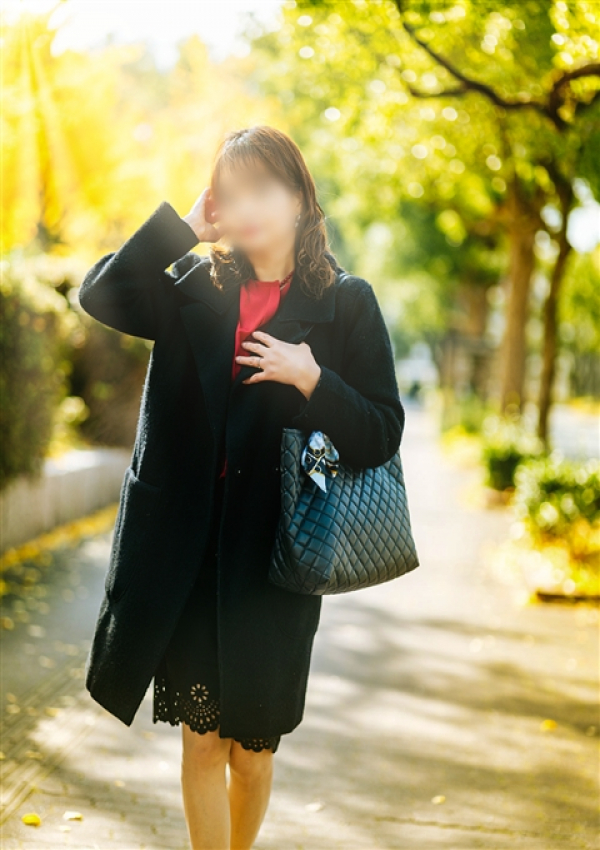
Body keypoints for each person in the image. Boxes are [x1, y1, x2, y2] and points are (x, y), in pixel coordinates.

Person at [78, 125, 405, 850]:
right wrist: (182, 229)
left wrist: (312, 377)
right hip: (188, 553)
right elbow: (100, 294)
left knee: (251, 755)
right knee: (202, 741)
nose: (247, 205)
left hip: (276, 560)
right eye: (232, 192)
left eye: (263, 188)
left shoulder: (346, 303)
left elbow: (382, 430)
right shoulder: (197, 285)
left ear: (298, 199)